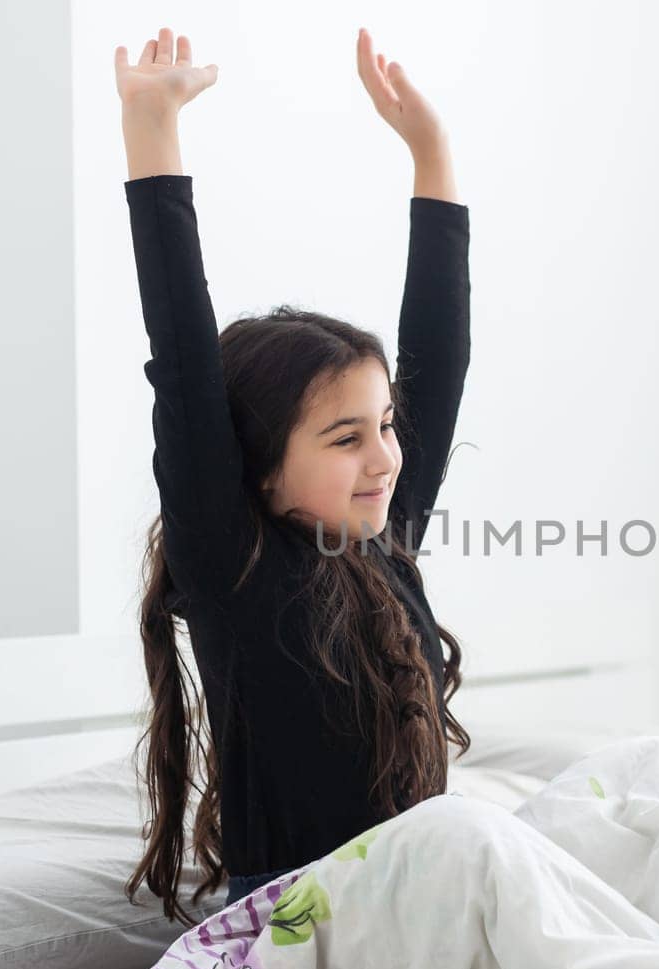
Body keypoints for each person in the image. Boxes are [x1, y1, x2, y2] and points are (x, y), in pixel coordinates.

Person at [112, 26, 475, 922]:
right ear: (261, 471)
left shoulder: (382, 537)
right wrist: (151, 130)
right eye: (346, 437)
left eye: (386, 425)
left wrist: (431, 153)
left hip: (421, 900)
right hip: (307, 926)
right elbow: (184, 357)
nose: (387, 457)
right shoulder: (233, 565)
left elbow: (441, 347)